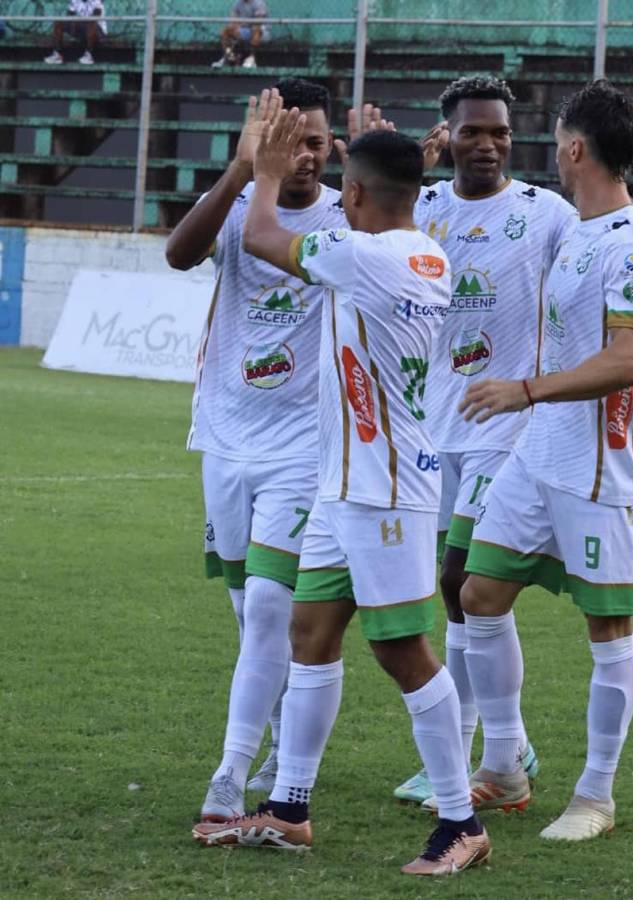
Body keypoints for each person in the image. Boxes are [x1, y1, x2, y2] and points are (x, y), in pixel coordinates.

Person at [193, 116, 492, 876]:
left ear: (352, 194)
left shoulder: (367, 257)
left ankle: (460, 822)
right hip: (345, 484)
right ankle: (290, 807)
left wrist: (260, 169)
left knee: (401, 649)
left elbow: (261, 237)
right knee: (311, 630)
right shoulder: (420, 251)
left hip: (385, 491)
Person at [456, 79, 633, 842]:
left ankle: (595, 797)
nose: (551, 148)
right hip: (539, 457)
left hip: (599, 468)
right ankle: (506, 764)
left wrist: (527, 389)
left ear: (575, 148)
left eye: (555, 138)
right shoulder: (577, 228)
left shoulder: (631, 246)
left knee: (609, 629)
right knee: (479, 594)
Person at [165, 79, 346, 822]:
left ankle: (230, 775)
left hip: (304, 447)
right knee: (249, 612)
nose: (304, 156)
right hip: (227, 438)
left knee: (273, 606)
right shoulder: (240, 207)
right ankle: (275, 738)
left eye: (316, 142)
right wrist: (244, 169)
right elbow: (179, 254)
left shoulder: (346, 218)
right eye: (290, 141)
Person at [393, 75, 576, 810]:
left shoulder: (544, 213)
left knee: (463, 579)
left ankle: (497, 753)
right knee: (449, 589)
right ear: (449, 135)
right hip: (437, 423)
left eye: (499, 131)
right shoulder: (422, 209)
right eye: (472, 131)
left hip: (511, 424)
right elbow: (351, 221)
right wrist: (411, 160)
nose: (489, 144)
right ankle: (499, 744)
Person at [44, 0, 107, 66]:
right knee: (59, 23)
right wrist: (72, 22)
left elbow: (96, 15)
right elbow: (69, 15)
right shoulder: (75, 0)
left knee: (91, 23)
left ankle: (89, 55)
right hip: (84, 28)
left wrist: (77, 21)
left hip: (98, 32)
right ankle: (57, 54)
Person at [212, 0, 269, 69]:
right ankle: (229, 56)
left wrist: (240, 24)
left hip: (262, 33)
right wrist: (236, 26)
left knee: (256, 29)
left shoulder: (259, 3)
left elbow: (258, 22)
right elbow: (233, 20)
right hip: (245, 30)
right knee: (226, 31)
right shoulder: (238, 3)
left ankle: (251, 59)